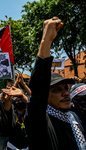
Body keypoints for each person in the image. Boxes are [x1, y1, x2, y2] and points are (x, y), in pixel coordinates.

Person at [23, 17, 86, 149]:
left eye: (66, 88)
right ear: (46, 95)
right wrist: (46, 41)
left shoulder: (73, 118)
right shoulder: (40, 122)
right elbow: (38, 92)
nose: (65, 93)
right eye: (57, 89)